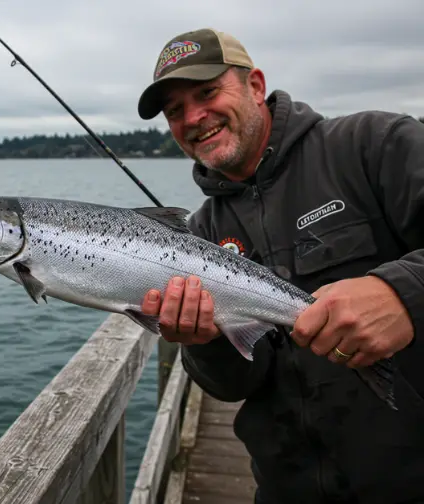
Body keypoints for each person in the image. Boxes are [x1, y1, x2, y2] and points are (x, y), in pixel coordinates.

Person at [135, 28, 424, 504]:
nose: (194, 117)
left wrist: (404, 293)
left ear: (255, 86)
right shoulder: (199, 232)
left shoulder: (372, 145)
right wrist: (204, 343)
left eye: (207, 92)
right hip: (284, 488)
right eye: (174, 111)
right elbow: (237, 384)